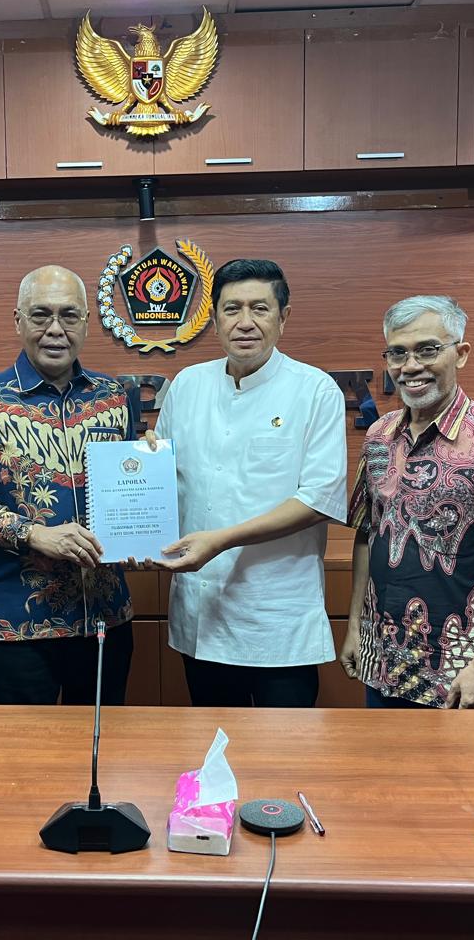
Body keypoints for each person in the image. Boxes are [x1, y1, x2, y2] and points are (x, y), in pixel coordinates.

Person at [145, 259, 347, 707]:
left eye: (260, 308)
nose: (245, 322)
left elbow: (317, 500)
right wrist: (144, 467)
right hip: (202, 614)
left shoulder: (315, 391)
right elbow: (165, 481)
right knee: (214, 743)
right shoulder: (187, 385)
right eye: (232, 308)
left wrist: (221, 540)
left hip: (277, 620)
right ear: (214, 318)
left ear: (283, 317)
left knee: (285, 749)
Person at [340, 295, 474, 709]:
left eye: (427, 350)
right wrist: (354, 628)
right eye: (398, 353)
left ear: (461, 353)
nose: (410, 366)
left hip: (462, 670)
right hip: (384, 662)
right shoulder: (379, 436)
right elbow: (367, 534)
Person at [0, 265, 135, 705]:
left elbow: (127, 487)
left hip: (104, 616)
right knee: (26, 747)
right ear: (18, 321)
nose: (55, 329)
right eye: (41, 315)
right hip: (19, 624)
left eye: (69, 315)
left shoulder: (114, 397)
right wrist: (34, 534)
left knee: (104, 739)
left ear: (87, 322)